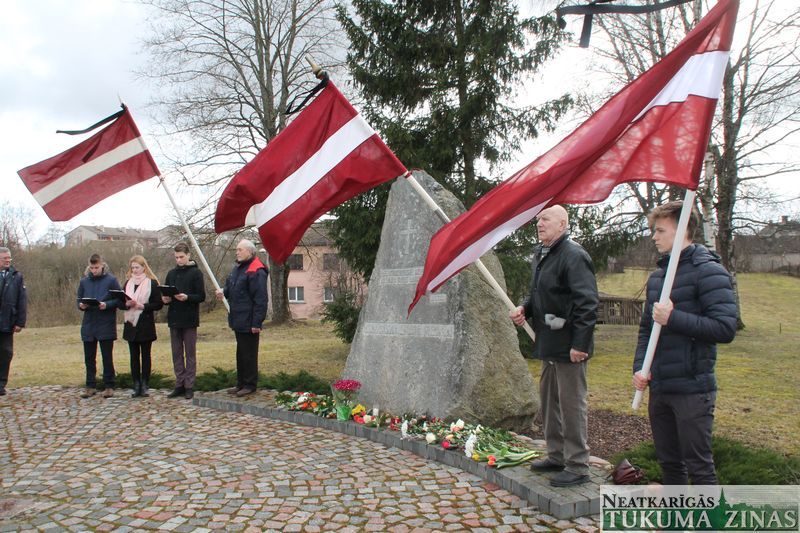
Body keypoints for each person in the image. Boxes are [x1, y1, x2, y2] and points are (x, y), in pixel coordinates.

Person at [633, 201, 737, 485]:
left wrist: (674, 318)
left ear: (682, 231)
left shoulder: (710, 272)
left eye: (660, 231)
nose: (654, 237)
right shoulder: (658, 278)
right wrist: (641, 368)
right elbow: (646, 330)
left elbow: (725, 328)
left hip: (693, 388)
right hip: (661, 387)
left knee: (699, 468)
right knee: (670, 465)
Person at [509, 205, 598, 487]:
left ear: (562, 224)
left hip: (570, 346)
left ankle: (578, 465)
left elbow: (587, 303)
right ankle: (557, 456)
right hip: (548, 342)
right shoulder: (542, 254)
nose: (539, 224)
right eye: (538, 220)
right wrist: (524, 308)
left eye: (545, 219)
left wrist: (580, 344)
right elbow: (537, 294)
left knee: (572, 406)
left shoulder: (574, 255)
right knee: (549, 404)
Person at [215, 239, 268, 397]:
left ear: (250, 251)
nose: (237, 252)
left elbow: (261, 299)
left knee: (249, 353)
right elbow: (232, 288)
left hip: (249, 319)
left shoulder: (256, 270)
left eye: (240, 249)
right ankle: (241, 383)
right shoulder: (238, 268)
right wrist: (223, 292)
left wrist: (257, 322)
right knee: (241, 353)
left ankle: (250, 384)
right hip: (237, 318)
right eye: (236, 249)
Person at [162, 242, 206, 400]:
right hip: (174, 318)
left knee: (190, 353)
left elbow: (201, 296)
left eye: (181, 257)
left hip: (189, 318)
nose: (179, 260)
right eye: (176, 257)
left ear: (188, 255)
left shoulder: (196, 273)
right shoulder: (171, 273)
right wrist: (165, 299)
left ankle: (189, 385)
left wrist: (187, 297)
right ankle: (179, 383)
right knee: (176, 353)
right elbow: (166, 293)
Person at [77, 254, 122, 399]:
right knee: (89, 358)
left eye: (96, 267)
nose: (94, 270)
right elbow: (79, 299)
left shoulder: (111, 280)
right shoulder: (84, 281)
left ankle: (109, 385)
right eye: (92, 268)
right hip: (89, 323)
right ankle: (90, 385)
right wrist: (81, 305)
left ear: (102, 265)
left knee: (107, 357)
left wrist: (106, 304)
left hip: (105, 322)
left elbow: (120, 300)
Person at [122, 255, 163, 398]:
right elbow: (120, 302)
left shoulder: (151, 283)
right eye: (132, 267)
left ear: (144, 267)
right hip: (131, 323)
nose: (135, 270)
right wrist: (126, 304)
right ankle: (136, 384)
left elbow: (158, 304)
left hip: (145, 323)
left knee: (146, 355)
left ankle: (145, 383)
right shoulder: (128, 283)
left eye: (137, 267)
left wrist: (143, 306)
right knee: (134, 356)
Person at [0, 247, 26, 396]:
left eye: (9, 258)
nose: (8, 260)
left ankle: (1, 383)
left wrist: (20, 322)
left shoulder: (16, 276)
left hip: (7, 321)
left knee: (6, 353)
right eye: (4, 258)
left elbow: (22, 299)